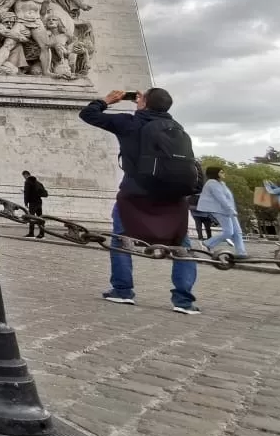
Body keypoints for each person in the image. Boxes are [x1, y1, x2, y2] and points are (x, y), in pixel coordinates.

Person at [80, 88, 201, 314]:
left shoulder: (130, 123)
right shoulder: (177, 128)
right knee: (182, 246)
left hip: (136, 194)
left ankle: (123, 291)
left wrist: (108, 100)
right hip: (173, 198)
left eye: (141, 97)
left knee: (120, 239)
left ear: (144, 103)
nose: (137, 99)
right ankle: (184, 301)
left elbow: (88, 115)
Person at [199, 166, 248, 258]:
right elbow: (221, 198)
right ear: (215, 173)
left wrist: (231, 209)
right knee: (228, 232)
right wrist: (230, 209)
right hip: (220, 210)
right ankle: (207, 243)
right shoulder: (212, 183)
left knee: (237, 232)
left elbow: (228, 198)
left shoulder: (221, 183)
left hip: (228, 210)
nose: (223, 174)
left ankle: (241, 253)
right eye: (221, 172)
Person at [22, 170, 48, 239]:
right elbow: (44, 193)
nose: (24, 178)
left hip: (32, 203)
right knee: (40, 218)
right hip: (39, 202)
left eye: (24, 176)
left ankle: (31, 233)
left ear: (25, 175)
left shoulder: (27, 182)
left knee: (31, 218)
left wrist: (26, 203)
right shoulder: (38, 183)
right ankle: (42, 234)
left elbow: (26, 193)